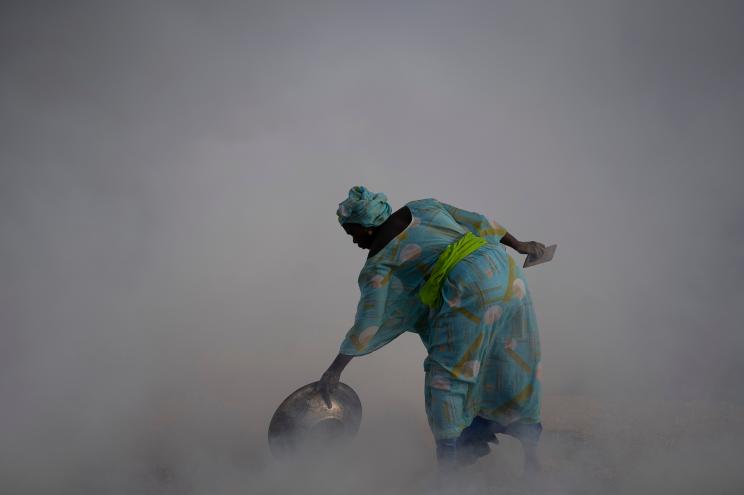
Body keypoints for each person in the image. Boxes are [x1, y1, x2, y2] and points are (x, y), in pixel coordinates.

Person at [316, 186, 547, 472]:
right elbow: (481, 223)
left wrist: (335, 369)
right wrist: (521, 245)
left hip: (468, 289)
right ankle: (532, 456)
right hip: (506, 270)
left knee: (446, 376)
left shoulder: (378, 266)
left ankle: (450, 465)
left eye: (353, 233)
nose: (354, 241)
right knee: (514, 355)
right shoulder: (424, 206)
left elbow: (368, 323)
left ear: (368, 225)